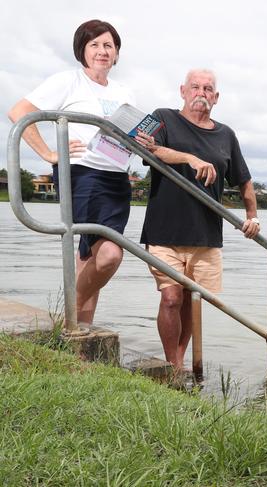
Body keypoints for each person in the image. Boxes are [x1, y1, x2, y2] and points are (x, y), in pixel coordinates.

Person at [8, 19, 140, 327]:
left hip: (117, 179)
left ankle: (80, 334)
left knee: (89, 257)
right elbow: (19, 112)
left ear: (117, 54)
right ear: (81, 50)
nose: (102, 51)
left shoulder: (125, 91)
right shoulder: (68, 81)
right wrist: (49, 153)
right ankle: (68, 315)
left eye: (109, 45)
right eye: (94, 45)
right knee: (109, 255)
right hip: (83, 174)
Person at [139, 68, 260, 369]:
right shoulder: (160, 116)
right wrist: (190, 158)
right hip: (163, 231)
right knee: (170, 297)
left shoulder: (226, 135)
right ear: (182, 91)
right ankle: (172, 366)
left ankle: (178, 363)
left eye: (208, 89)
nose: (201, 94)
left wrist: (253, 217)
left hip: (205, 235)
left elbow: (244, 180)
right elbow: (147, 148)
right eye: (195, 87)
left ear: (216, 97)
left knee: (192, 303)